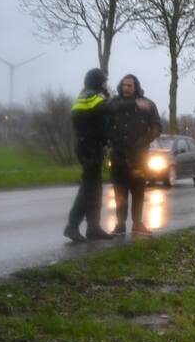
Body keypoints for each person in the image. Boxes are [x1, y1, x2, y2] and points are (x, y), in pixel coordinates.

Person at [107, 74, 161, 235]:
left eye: (129, 85)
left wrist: (144, 141)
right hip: (118, 156)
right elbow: (106, 125)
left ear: (136, 86)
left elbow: (157, 127)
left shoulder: (148, 104)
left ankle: (137, 223)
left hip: (139, 157)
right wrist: (112, 140)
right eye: (124, 85)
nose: (126, 88)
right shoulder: (114, 103)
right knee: (119, 192)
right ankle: (120, 223)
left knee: (138, 191)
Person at [64, 68, 114, 242]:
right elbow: (107, 116)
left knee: (95, 188)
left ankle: (94, 227)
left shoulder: (83, 96)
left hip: (86, 146)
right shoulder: (95, 98)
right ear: (98, 82)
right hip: (90, 148)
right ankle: (72, 225)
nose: (105, 84)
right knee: (89, 189)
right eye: (103, 81)